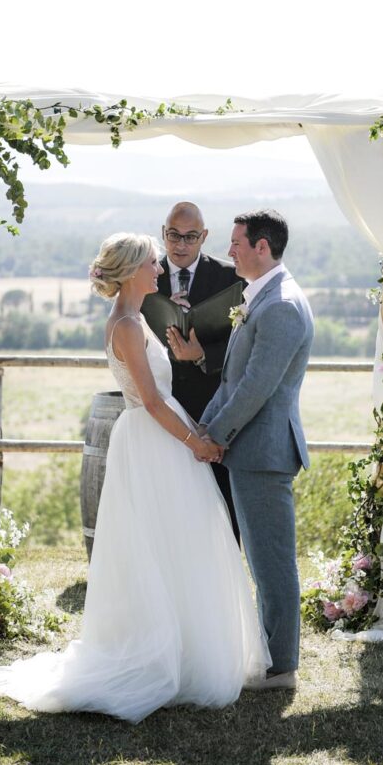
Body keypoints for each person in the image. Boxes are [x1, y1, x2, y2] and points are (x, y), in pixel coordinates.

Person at [0, 232, 269, 723]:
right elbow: (152, 402)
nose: (159, 271)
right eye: (153, 264)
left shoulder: (133, 319)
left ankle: (182, 645)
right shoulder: (127, 326)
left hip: (156, 436)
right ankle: (166, 653)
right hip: (152, 441)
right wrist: (196, 442)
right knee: (166, 543)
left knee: (176, 543)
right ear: (134, 269)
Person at [200, 210, 314, 691]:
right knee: (263, 562)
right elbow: (232, 379)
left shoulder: (282, 306)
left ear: (262, 247)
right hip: (248, 451)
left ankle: (281, 666)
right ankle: (272, 655)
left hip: (264, 453)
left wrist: (214, 437)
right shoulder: (263, 297)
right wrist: (202, 426)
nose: (230, 252)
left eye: (237, 244)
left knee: (271, 562)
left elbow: (255, 388)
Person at [141, 201, 241, 543]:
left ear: (205, 237)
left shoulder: (230, 278)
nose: (181, 245)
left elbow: (245, 343)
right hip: (161, 406)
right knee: (166, 503)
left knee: (221, 506)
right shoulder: (145, 276)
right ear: (163, 233)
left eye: (190, 237)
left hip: (213, 406)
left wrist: (203, 354)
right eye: (173, 236)